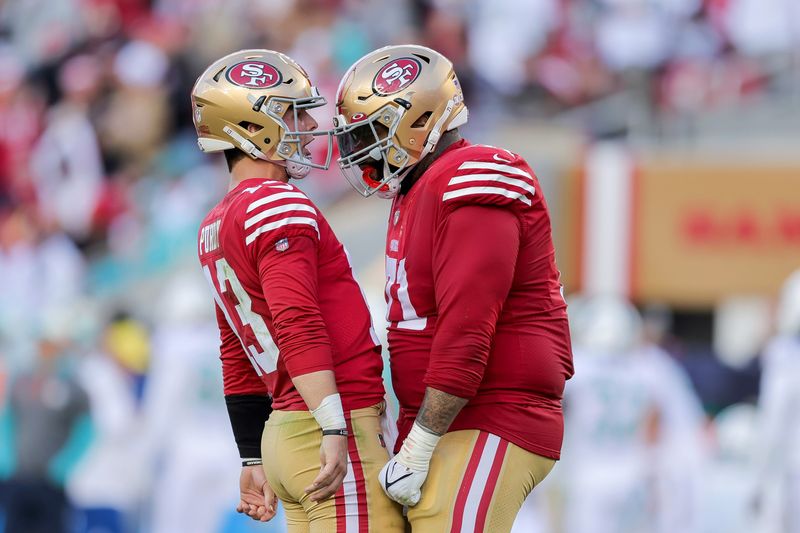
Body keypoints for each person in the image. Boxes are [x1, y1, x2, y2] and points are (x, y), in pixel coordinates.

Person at [332, 44, 575, 532]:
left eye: (373, 131)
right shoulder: (419, 188)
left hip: (491, 414)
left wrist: (420, 444)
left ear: (417, 121)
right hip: (448, 418)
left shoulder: (471, 177)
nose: (364, 148)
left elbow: (467, 328)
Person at [191, 49, 404, 532]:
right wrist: (333, 424)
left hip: (283, 431)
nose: (308, 123)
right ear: (251, 126)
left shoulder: (216, 220)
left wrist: (251, 454)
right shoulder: (275, 202)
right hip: (326, 423)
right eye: (292, 111)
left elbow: (235, 352)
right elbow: (297, 322)